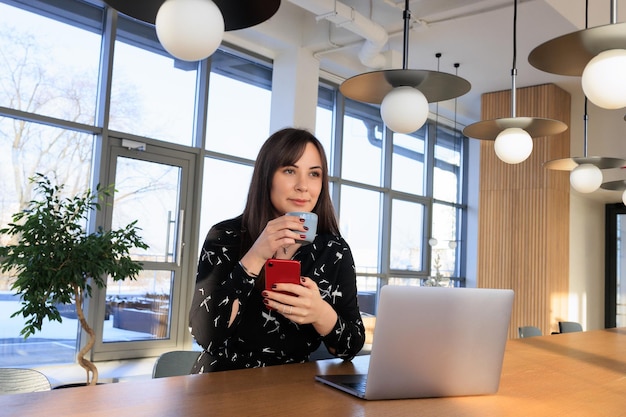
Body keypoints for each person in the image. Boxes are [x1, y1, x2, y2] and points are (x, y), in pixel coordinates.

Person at [189, 127, 365, 373]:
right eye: (290, 171)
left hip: (295, 386)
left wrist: (320, 313)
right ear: (267, 176)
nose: (303, 186)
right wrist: (256, 255)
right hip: (221, 383)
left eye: (314, 174)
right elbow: (204, 335)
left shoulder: (334, 250)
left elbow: (350, 347)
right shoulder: (225, 236)